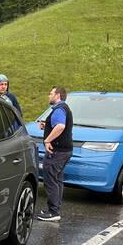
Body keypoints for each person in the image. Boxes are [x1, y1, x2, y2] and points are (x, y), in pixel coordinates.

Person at [36, 86, 73, 222]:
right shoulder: (65, 108)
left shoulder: (59, 109)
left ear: (57, 95)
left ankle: (53, 211)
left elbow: (60, 126)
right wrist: (47, 126)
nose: (49, 95)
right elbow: (58, 125)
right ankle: (55, 209)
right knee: (57, 180)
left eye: (51, 93)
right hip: (65, 151)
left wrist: (47, 140)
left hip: (57, 151)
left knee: (51, 180)